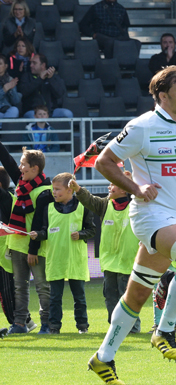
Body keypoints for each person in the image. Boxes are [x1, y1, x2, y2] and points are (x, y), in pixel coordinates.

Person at [87, 65, 176, 384]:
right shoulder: (142, 127)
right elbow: (103, 162)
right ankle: (164, 330)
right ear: (162, 96)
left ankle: (102, 358)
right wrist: (136, 188)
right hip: (148, 215)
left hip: (172, 218)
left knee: (136, 295)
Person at [68, 171, 141, 334]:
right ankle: (115, 326)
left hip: (128, 262)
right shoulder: (105, 205)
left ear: (124, 188)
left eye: (113, 183)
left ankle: (133, 327)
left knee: (127, 297)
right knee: (110, 297)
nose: (109, 186)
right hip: (110, 262)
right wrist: (78, 189)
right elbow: (90, 200)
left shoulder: (137, 206)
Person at [29, 173, 96, 334]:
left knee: (79, 297)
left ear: (69, 189)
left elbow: (92, 229)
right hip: (56, 260)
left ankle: (82, 326)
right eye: (53, 189)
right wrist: (38, 235)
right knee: (54, 298)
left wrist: (81, 234)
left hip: (75, 260)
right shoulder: (49, 209)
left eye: (57, 189)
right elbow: (46, 232)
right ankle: (54, 327)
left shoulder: (83, 207)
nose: (54, 192)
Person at [0, 143, 53, 335]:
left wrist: (33, 250)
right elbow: (8, 161)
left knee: (42, 287)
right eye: (21, 165)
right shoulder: (22, 184)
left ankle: (46, 323)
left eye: (24, 165)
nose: (20, 168)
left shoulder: (45, 191)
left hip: (35, 248)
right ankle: (20, 324)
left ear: (35, 168)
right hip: (16, 245)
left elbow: (40, 224)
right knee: (19, 288)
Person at [18, 53, 72, 119]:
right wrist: (39, 79)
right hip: (33, 111)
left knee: (67, 113)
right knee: (32, 116)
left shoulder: (53, 77)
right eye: (31, 63)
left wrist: (51, 79)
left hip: (50, 111)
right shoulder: (26, 76)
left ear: (43, 65)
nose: (31, 65)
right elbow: (24, 92)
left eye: (34, 63)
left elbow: (60, 94)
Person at [0, 167, 16, 330]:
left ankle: (16, 322)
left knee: (7, 291)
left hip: (3, 254)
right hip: (5, 253)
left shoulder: (6, 198)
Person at [0, 54, 21, 130]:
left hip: (6, 113)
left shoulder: (9, 79)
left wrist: (11, 89)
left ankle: (3, 130)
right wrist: (4, 90)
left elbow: (16, 101)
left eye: (0, 64)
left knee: (14, 110)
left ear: (6, 66)